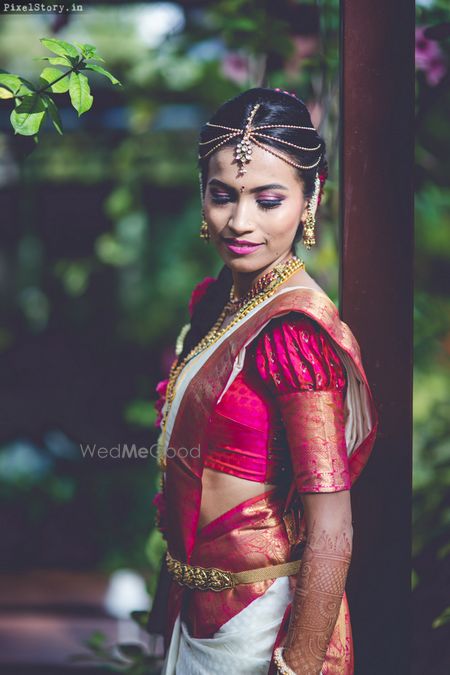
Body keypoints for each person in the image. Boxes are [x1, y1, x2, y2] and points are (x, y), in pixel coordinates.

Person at [146, 87, 378, 675]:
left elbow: (333, 527)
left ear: (310, 198)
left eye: (268, 200)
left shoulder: (293, 334)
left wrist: (296, 663)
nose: (239, 221)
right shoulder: (216, 302)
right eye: (222, 196)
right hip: (191, 608)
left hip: (255, 621)